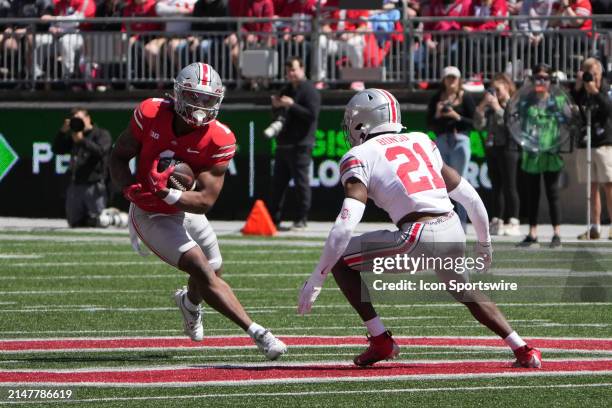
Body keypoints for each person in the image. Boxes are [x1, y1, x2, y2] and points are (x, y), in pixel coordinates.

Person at [297, 88, 541, 369]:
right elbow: (471, 199)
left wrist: (317, 277)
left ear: (362, 122)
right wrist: (484, 244)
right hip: (451, 228)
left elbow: (345, 225)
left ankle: (380, 339)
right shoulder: (422, 140)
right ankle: (523, 349)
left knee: (339, 260)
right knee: (466, 291)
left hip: (417, 234)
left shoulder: (359, 155)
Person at [109, 62, 287, 359]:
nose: (201, 107)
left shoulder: (220, 138)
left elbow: (205, 200)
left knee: (213, 269)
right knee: (203, 270)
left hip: (183, 207)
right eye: (194, 97)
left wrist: (166, 190)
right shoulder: (151, 112)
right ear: (178, 94)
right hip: (150, 212)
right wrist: (129, 189)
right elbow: (118, 156)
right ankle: (259, 334)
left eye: (208, 100)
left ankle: (189, 304)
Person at [515, 64, 572, 248]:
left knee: (553, 193)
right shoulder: (526, 101)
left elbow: (568, 123)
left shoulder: (558, 101)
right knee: (532, 195)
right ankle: (533, 234)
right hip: (531, 154)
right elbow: (516, 123)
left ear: (550, 80)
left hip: (551, 153)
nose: (541, 81)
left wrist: (558, 144)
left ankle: (557, 234)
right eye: (537, 77)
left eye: (545, 78)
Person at [267, 56, 321, 231]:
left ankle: (301, 219)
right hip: (283, 144)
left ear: (302, 69)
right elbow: (278, 115)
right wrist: (276, 105)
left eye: (294, 69)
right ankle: (273, 219)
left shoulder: (310, 90)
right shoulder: (286, 89)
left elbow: (312, 115)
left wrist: (292, 105)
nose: (291, 73)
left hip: (301, 145)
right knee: (278, 185)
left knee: (301, 184)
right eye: (288, 70)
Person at [426, 66, 475, 230]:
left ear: (459, 79)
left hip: (460, 139)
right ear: (443, 80)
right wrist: (439, 114)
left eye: (454, 78)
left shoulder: (466, 97)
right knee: (441, 183)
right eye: (448, 78)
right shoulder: (437, 98)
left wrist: (457, 116)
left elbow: (474, 122)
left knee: (460, 182)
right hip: (441, 139)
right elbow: (429, 123)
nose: (451, 81)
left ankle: (462, 223)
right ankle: (444, 222)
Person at [474, 73, 521, 236]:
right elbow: (479, 126)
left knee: (510, 185)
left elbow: (511, 124)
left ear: (507, 87)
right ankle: (497, 220)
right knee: (496, 187)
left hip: (509, 148)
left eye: (498, 89)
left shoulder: (513, 104)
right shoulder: (489, 107)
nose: (495, 93)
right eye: (492, 89)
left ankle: (513, 220)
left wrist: (497, 107)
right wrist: (481, 107)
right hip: (492, 148)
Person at [572, 58, 612, 240]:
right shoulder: (581, 91)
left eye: (595, 73)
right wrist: (579, 87)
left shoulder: (606, 88)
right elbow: (573, 107)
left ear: (601, 73)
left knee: (609, 186)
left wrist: (595, 91)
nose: (592, 77)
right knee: (591, 187)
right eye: (588, 73)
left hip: (604, 144)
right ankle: (595, 227)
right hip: (586, 143)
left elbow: (608, 109)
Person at [53, 107, 112, 227]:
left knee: (99, 222)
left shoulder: (101, 134)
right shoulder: (74, 136)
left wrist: (82, 141)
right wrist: (62, 132)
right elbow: (57, 149)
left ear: (88, 118)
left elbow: (100, 151)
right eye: (74, 120)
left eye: (80, 119)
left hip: (94, 185)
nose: (78, 122)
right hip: (76, 185)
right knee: (74, 223)